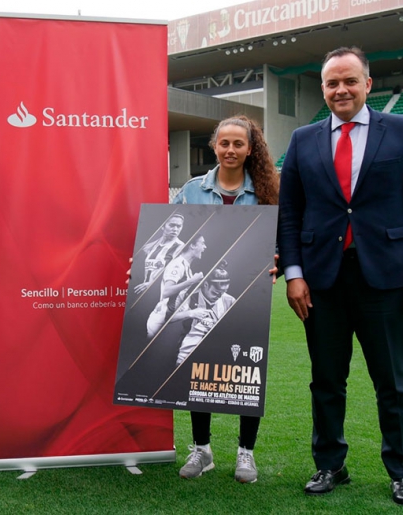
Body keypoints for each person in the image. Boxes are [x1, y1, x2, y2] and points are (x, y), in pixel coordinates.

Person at [278, 47, 403, 506]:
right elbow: (291, 214)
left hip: (385, 279)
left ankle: (402, 471)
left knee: (393, 381)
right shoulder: (304, 138)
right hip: (321, 281)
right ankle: (330, 464)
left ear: (368, 84)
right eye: (332, 83)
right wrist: (293, 273)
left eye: (350, 81)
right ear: (323, 89)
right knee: (326, 379)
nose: (341, 89)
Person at [173, 115, 279, 483]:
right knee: (199, 369)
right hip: (204, 291)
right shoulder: (190, 191)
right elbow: (174, 238)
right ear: (214, 146)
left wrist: (278, 258)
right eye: (224, 143)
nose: (230, 150)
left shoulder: (268, 190)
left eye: (238, 144)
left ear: (250, 149)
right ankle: (202, 450)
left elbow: (281, 238)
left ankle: (245, 453)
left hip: (250, 294)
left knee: (247, 372)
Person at [172, 261, 235, 366]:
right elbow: (167, 319)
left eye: (223, 292)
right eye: (215, 292)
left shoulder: (229, 301)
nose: (219, 296)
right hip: (186, 353)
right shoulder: (190, 296)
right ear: (205, 284)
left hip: (213, 355)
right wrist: (190, 313)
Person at [146, 234, 206, 338]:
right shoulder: (177, 265)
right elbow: (166, 292)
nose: (205, 247)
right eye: (202, 243)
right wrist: (191, 281)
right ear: (192, 245)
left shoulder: (187, 268)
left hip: (167, 319)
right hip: (159, 320)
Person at [134, 214, 185, 295]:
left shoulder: (180, 247)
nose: (175, 229)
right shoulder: (152, 245)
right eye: (172, 225)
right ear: (163, 226)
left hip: (159, 292)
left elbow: (174, 274)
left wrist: (151, 284)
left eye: (179, 226)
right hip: (143, 289)